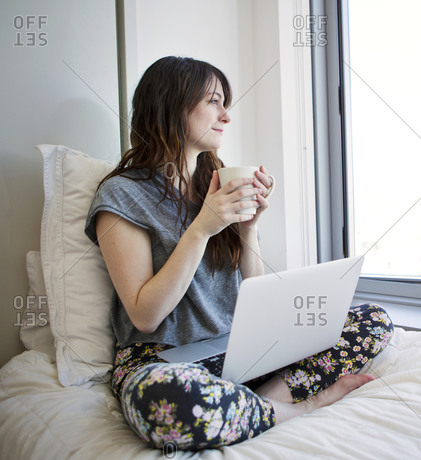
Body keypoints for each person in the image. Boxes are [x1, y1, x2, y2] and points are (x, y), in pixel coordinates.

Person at [84, 56, 394, 450]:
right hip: (165, 361)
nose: (226, 116)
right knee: (168, 402)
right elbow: (145, 315)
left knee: (370, 320)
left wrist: (249, 228)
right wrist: (203, 227)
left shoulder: (215, 185)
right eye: (214, 101)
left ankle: (261, 402)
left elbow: (256, 297)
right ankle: (297, 408)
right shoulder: (123, 194)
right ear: (171, 104)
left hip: (238, 348)